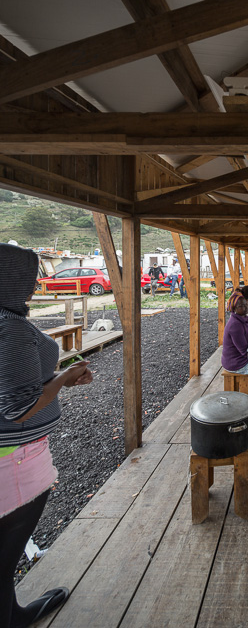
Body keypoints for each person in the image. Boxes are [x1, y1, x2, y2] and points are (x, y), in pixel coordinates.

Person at [0, 243, 93, 628]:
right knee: (4, 558)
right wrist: (65, 376)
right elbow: (18, 407)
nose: (36, 284)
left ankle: (14, 614)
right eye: (30, 276)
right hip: (14, 459)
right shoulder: (11, 328)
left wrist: (56, 381)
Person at [221, 291, 248, 377]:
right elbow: (244, 351)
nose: (245, 307)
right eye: (241, 306)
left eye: (245, 304)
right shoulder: (235, 325)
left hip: (242, 358)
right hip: (236, 364)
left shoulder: (244, 318)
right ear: (234, 308)